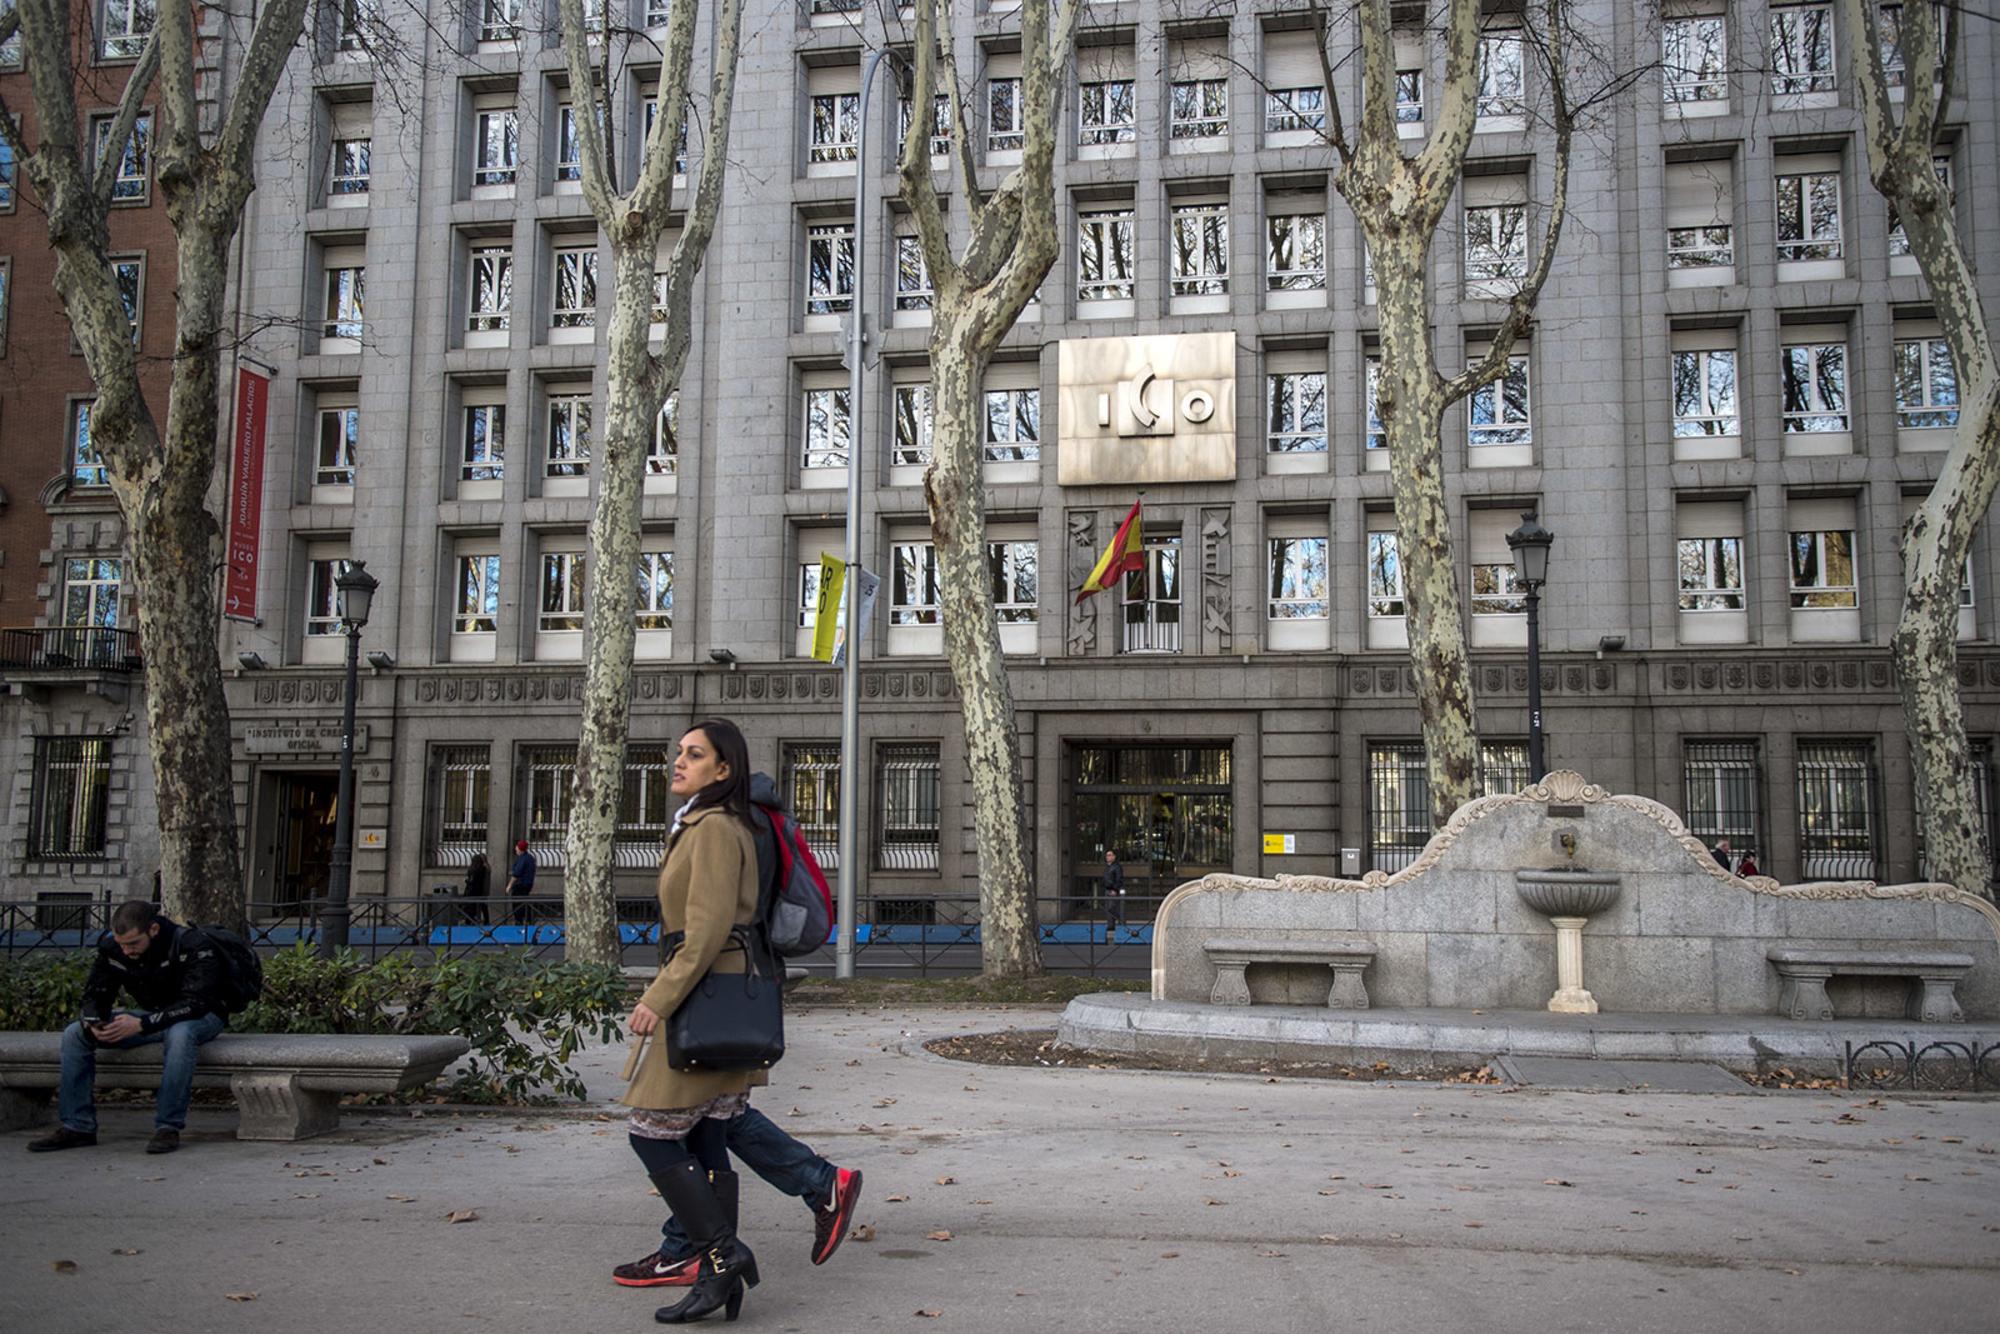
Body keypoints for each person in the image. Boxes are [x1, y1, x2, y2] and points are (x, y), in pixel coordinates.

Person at [615, 719, 862, 1324]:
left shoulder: (718, 829)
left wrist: (659, 998)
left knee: (651, 1130)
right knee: (708, 1133)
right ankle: (710, 1267)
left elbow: (705, 930)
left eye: (694, 755)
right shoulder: (705, 823)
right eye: (678, 752)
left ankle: (723, 1255)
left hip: (707, 996)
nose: (678, 761)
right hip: (717, 990)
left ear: (723, 770)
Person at [28, 901, 233, 1156]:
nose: (126, 951)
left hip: (202, 1016)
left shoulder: (192, 944)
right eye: (122, 944)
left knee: (180, 1035)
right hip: (149, 1016)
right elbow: (95, 994)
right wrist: (94, 1021)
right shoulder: (113, 948)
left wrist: (142, 1024)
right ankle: (77, 1126)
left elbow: (196, 1003)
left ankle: (167, 1127)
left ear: (154, 929)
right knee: (74, 1034)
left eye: (134, 943)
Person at [505, 839, 536, 926]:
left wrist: (509, 885)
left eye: (517, 847)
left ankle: (519, 921)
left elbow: (516, 874)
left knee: (517, 904)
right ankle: (529, 919)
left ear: (520, 849)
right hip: (528, 884)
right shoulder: (530, 858)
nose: (515, 849)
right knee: (524, 902)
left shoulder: (522, 859)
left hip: (520, 885)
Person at [462, 852, 492, 926]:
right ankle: (485, 920)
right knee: (482, 906)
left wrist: (466, 880)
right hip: (482, 890)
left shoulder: (474, 869)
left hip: (472, 891)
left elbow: (471, 881)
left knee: (471, 907)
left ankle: (470, 921)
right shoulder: (485, 868)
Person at [1101, 850, 1126, 931]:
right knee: (1108, 908)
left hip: (1113, 890)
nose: (1108, 857)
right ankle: (1110, 925)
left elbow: (1119, 879)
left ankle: (1120, 921)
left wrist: (1115, 889)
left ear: (1114, 856)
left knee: (1112, 907)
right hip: (1107, 889)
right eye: (1107, 855)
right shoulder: (1107, 867)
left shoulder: (1117, 867)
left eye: (1110, 855)